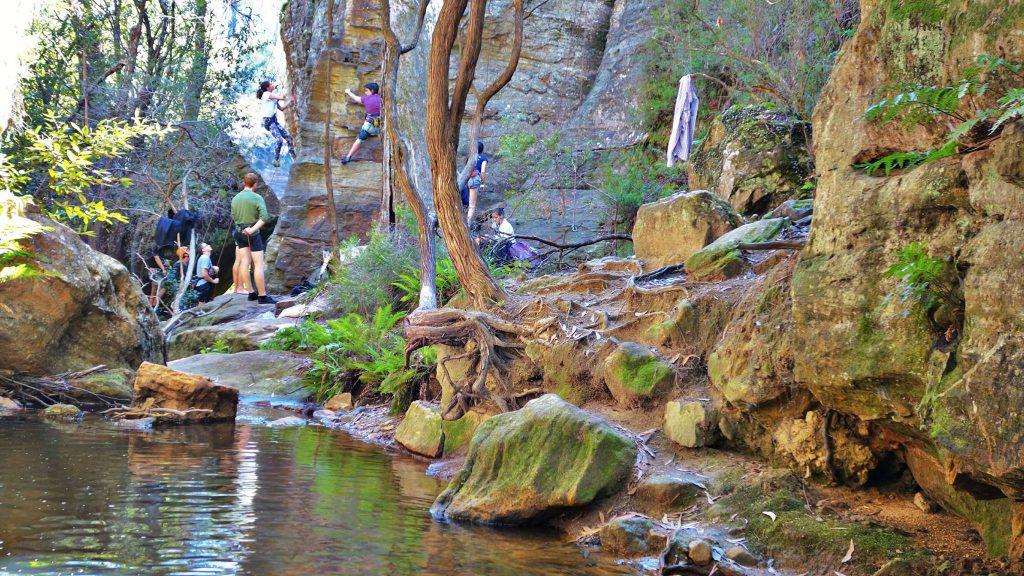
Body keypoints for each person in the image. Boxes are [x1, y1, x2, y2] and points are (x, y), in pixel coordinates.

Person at [231, 173, 277, 304]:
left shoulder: (235, 198)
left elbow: (234, 216)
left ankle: (251, 293)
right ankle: (262, 296)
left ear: (244, 183)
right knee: (258, 264)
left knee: (245, 261)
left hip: (239, 233)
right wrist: (252, 229)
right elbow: (264, 217)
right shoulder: (257, 197)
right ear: (255, 184)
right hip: (252, 233)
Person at [340, 82, 381, 164]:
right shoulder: (381, 98)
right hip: (379, 127)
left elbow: (355, 98)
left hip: (369, 127)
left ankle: (348, 157)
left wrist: (348, 92)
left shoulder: (367, 99)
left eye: (366, 91)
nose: (365, 93)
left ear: (372, 91)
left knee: (360, 139)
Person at [257, 80, 296, 168]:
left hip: (274, 121)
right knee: (280, 140)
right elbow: (282, 98)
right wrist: (289, 96)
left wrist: (291, 101)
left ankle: (294, 157)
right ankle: (276, 160)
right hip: (268, 121)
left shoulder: (272, 98)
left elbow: (282, 108)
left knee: (289, 138)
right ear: (267, 87)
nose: (272, 85)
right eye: (271, 84)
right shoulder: (266, 94)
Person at [466, 141, 488, 224]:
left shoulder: (470, 157)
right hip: (475, 179)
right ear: (482, 150)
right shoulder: (483, 159)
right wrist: (483, 183)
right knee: (472, 206)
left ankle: (467, 221)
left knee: (470, 203)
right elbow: (482, 171)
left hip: (468, 179)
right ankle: (467, 223)